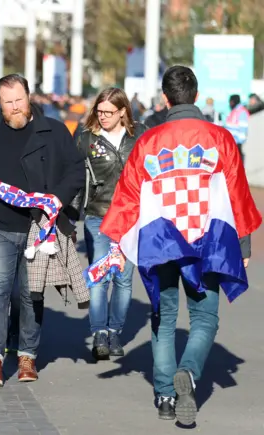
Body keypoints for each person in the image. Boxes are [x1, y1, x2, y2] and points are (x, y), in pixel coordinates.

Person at [100, 66, 261, 424]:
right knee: (205, 317)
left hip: (161, 241)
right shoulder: (220, 138)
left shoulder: (148, 141)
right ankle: (188, 373)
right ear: (196, 95)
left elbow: (128, 194)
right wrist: (244, 247)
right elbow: (237, 193)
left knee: (164, 316)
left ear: (166, 98)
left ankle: (164, 396)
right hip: (208, 241)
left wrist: (117, 240)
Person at [0, 74, 85, 386]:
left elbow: (76, 169)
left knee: (29, 293)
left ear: (30, 98)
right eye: (8, 102)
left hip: (37, 227)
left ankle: (27, 354)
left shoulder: (53, 130)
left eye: (19, 100)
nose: (15, 107)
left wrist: (58, 197)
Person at [74, 87, 147, 360]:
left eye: (108, 112)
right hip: (98, 216)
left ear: (123, 112)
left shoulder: (139, 136)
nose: (102, 117)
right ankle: (99, 334)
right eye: (99, 111)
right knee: (99, 275)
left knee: (124, 278)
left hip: (131, 217)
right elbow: (75, 180)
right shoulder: (85, 139)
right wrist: (69, 217)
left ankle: (115, 331)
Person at [225, 94, 249, 163]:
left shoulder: (241, 112)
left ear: (233, 101)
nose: (230, 104)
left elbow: (243, 127)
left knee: (238, 162)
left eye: (230, 102)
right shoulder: (235, 111)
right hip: (232, 141)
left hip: (237, 142)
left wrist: (240, 142)